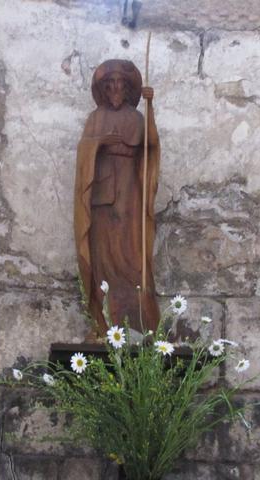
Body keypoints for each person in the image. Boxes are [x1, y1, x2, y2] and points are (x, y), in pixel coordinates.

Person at [74, 59, 160, 335]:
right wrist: (100, 143)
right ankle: (104, 323)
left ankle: (138, 320)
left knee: (132, 253)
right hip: (101, 194)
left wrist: (150, 106)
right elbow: (84, 149)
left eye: (120, 84)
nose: (115, 90)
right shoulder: (95, 118)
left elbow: (150, 146)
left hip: (129, 193)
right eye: (109, 85)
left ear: (127, 89)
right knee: (102, 254)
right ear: (103, 89)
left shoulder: (136, 118)